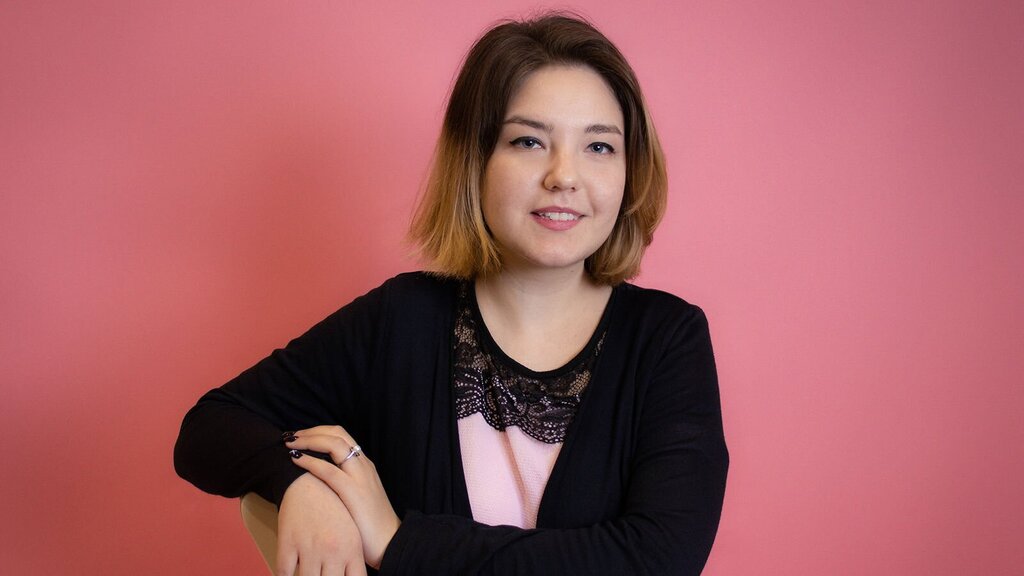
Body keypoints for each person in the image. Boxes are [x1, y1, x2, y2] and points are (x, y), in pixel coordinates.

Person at [175, 13, 728, 576]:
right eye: (529, 141)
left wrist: (398, 543)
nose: (564, 176)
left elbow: (658, 560)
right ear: (476, 160)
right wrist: (297, 484)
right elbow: (209, 428)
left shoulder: (667, 339)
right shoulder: (403, 319)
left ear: (630, 171)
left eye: (600, 147)